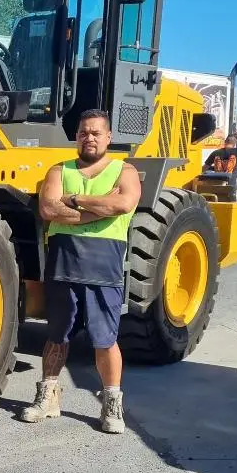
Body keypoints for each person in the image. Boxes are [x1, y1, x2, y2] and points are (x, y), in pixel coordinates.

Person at [21, 108, 142, 433]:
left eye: (96, 133)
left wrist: (72, 201)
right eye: (84, 132)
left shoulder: (125, 170)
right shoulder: (59, 170)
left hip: (104, 269)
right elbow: (48, 208)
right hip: (62, 267)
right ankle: (48, 396)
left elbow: (123, 205)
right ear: (76, 136)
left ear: (108, 137)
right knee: (56, 336)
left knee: (105, 340)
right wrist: (97, 208)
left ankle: (112, 405)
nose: (90, 138)